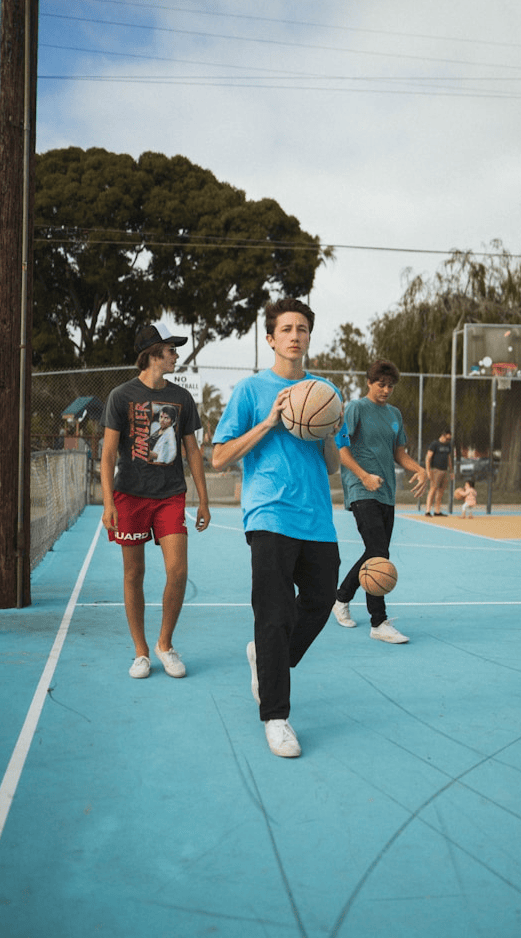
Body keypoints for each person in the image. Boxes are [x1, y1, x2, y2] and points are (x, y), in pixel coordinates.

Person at [211, 297, 344, 758]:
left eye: (302, 329)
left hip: (317, 518)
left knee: (321, 600)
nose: (294, 336)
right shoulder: (251, 391)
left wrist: (328, 433)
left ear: (309, 337)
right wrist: (269, 422)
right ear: (270, 339)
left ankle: (267, 658)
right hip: (268, 513)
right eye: (286, 329)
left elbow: (331, 466)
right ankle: (276, 717)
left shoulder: (324, 391)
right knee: (273, 614)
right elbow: (220, 456)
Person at [100, 323, 211, 681]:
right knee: (134, 574)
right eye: (171, 350)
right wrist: (108, 503)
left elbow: (192, 450)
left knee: (178, 570)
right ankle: (141, 652)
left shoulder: (182, 398)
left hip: (170, 496)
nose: (176, 355)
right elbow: (108, 454)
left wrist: (203, 500)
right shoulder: (121, 396)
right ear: (152, 355)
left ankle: (165, 644)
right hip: (130, 496)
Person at [331, 359, 427, 643]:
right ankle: (378, 622)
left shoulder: (394, 414)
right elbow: (341, 448)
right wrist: (363, 476)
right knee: (378, 554)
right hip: (361, 490)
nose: (386, 390)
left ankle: (341, 597)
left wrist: (419, 469)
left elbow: (400, 453)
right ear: (369, 382)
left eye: (390, 386)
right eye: (381, 384)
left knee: (376, 552)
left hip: (386, 492)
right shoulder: (356, 408)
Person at [425, 428, 453, 517]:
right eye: (447, 438)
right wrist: (428, 471)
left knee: (441, 491)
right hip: (435, 470)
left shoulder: (448, 445)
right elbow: (428, 458)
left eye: (450, 439)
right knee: (433, 489)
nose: (448, 440)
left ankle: (437, 511)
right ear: (443, 436)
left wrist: (451, 471)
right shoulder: (435, 444)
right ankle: (428, 511)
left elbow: (449, 458)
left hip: (444, 470)